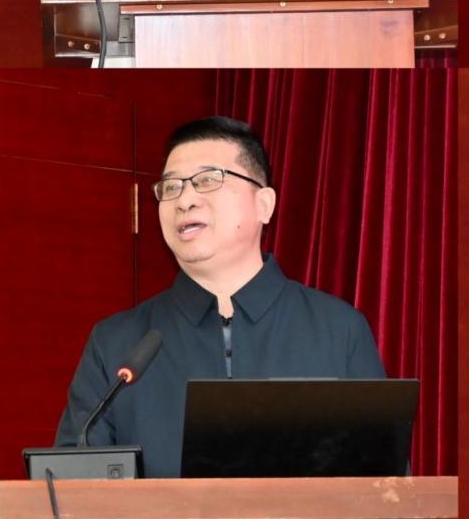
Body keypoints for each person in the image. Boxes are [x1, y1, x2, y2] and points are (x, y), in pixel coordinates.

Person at [55, 116, 385, 477]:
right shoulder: (118, 345)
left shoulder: (338, 330)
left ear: (264, 204)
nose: (185, 200)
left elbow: (384, 484)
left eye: (208, 180)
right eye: (171, 187)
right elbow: (71, 491)